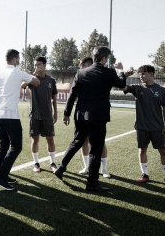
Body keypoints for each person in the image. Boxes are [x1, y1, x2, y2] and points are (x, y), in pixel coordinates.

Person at [54, 46, 132, 192]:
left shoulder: (81, 72)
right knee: (95, 149)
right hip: (97, 117)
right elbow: (122, 84)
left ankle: (60, 167)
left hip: (81, 115)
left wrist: (66, 113)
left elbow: (72, 94)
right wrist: (121, 70)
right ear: (103, 58)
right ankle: (92, 184)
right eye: (107, 58)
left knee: (76, 142)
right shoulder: (109, 72)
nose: (108, 61)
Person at [0, 49, 40, 190]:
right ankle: (1, 177)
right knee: (16, 146)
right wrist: (29, 73)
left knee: (4, 145)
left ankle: (1, 174)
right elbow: (36, 82)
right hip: (11, 116)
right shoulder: (19, 72)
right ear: (15, 60)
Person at [120, 65, 165, 190]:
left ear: (151, 74)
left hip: (158, 127)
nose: (141, 76)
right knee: (142, 150)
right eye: (140, 74)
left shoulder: (161, 90)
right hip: (142, 127)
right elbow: (122, 87)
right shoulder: (137, 88)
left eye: (144, 73)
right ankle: (145, 174)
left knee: (163, 151)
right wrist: (124, 76)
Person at [21, 56, 58, 173]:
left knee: (50, 140)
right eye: (35, 65)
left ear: (45, 65)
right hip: (34, 115)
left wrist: (56, 112)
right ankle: (36, 163)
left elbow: (54, 98)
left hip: (47, 115)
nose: (37, 67)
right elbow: (22, 86)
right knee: (35, 139)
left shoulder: (51, 80)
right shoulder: (32, 79)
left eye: (39, 65)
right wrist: (32, 74)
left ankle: (52, 163)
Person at [77, 57, 110, 178]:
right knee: (84, 141)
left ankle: (104, 168)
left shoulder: (100, 76)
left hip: (97, 114)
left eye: (84, 65)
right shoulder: (81, 76)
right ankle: (86, 167)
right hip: (83, 114)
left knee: (100, 142)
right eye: (81, 66)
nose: (82, 68)